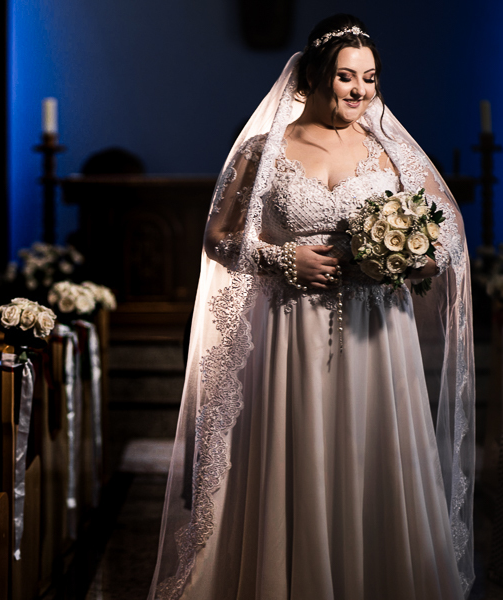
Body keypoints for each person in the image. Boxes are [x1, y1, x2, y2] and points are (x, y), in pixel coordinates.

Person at [149, 14, 474, 600]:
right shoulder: (264, 149)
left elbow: (444, 241)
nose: (360, 91)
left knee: (369, 457)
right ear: (315, 76)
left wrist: (395, 259)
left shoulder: (393, 154)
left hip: (376, 337)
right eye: (347, 77)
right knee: (291, 461)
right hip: (288, 331)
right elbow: (217, 236)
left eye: (370, 79)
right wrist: (278, 258)